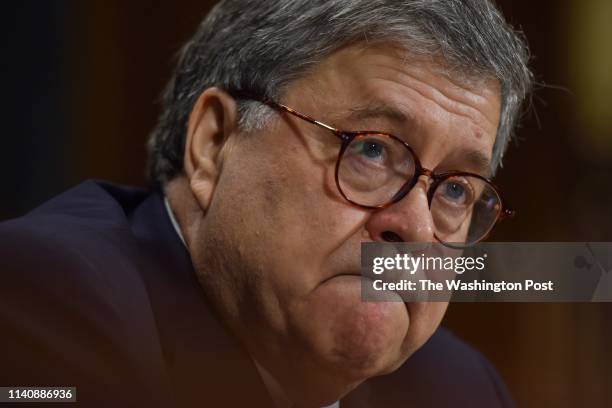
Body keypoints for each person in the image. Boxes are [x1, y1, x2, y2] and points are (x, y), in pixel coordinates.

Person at [0, 0, 532, 406]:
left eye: (457, 189)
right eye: (371, 150)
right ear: (213, 145)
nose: (415, 227)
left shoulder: (456, 389)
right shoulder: (51, 295)